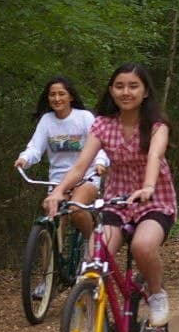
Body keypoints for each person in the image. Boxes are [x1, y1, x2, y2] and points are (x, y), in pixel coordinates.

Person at [44, 63, 177, 332]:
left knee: (142, 246)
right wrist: (59, 191)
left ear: (145, 92)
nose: (125, 92)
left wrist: (148, 186)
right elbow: (82, 166)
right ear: (111, 90)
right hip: (117, 202)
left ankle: (156, 293)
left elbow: (154, 156)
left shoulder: (157, 126)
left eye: (133, 86)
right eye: (119, 86)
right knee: (93, 261)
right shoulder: (103, 125)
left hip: (154, 201)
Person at [14, 76, 109, 239]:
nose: (57, 98)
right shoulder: (47, 120)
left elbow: (98, 145)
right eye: (52, 95)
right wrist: (25, 159)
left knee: (76, 211)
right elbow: (35, 148)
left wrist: (100, 163)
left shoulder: (84, 117)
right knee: (53, 221)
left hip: (86, 177)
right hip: (57, 181)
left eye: (61, 94)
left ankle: (93, 249)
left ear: (70, 96)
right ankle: (49, 263)